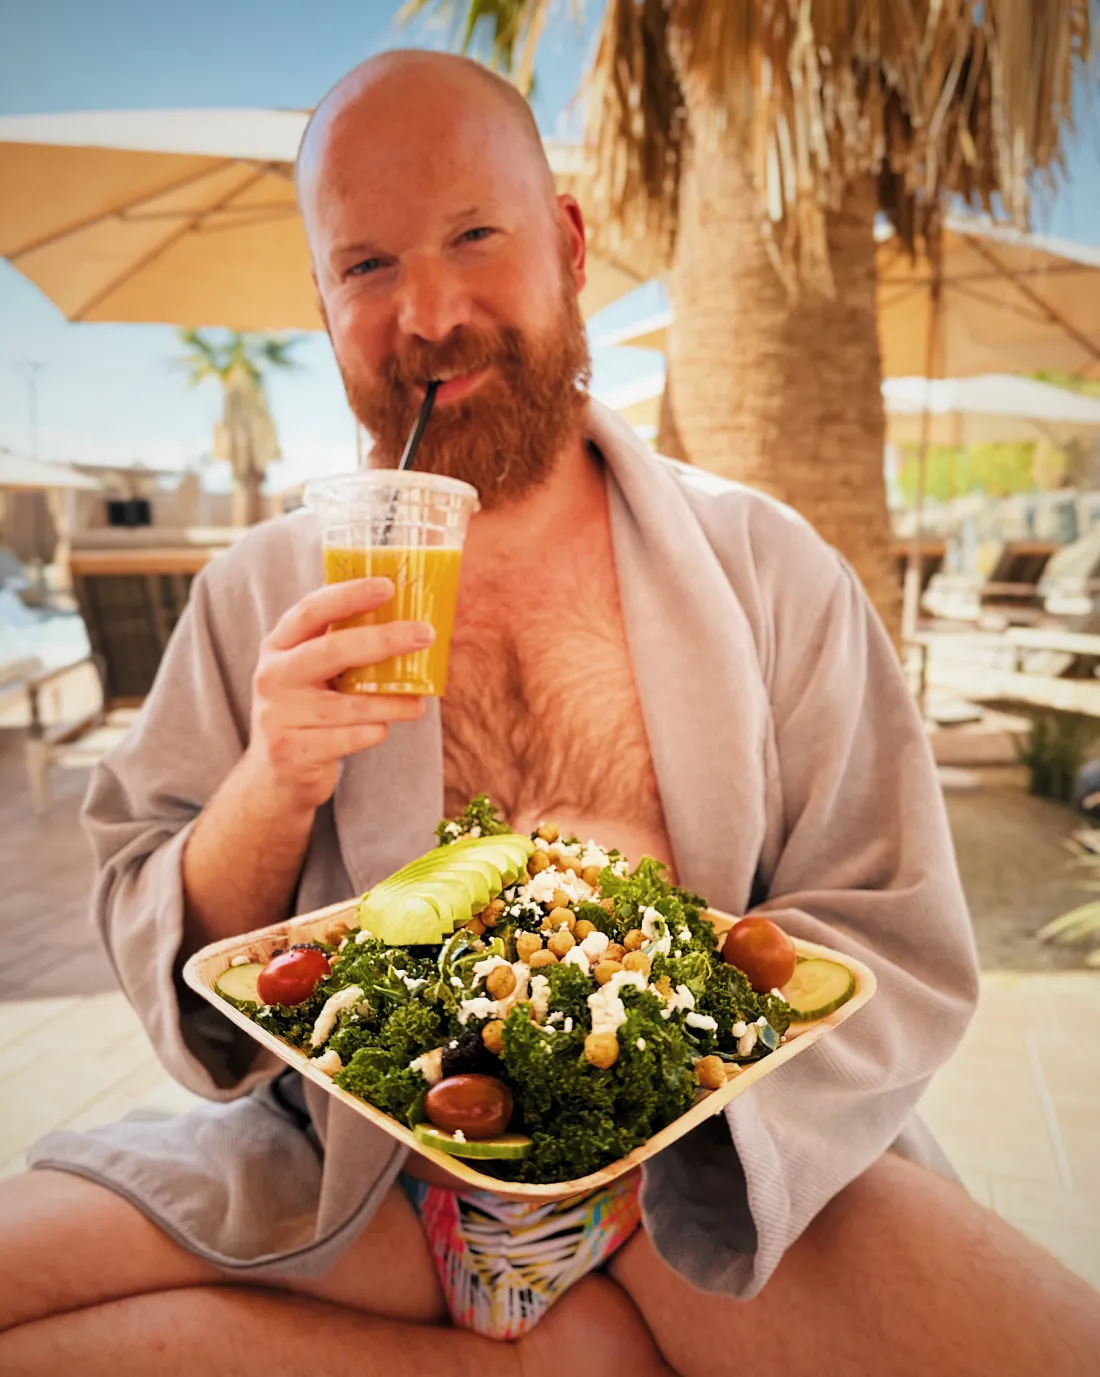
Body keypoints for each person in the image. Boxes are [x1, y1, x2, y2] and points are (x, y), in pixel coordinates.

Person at [2, 49, 1098, 1377]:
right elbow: (167, 928)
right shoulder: (258, 595)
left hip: (715, 1186)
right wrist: (274, 784)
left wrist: (643, 1006)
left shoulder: (770, 567)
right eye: (366, 266)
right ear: (321, 297)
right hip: (350, 1178)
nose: (430, 311)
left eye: (475, 234)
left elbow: (892, 929)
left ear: (568, 244)